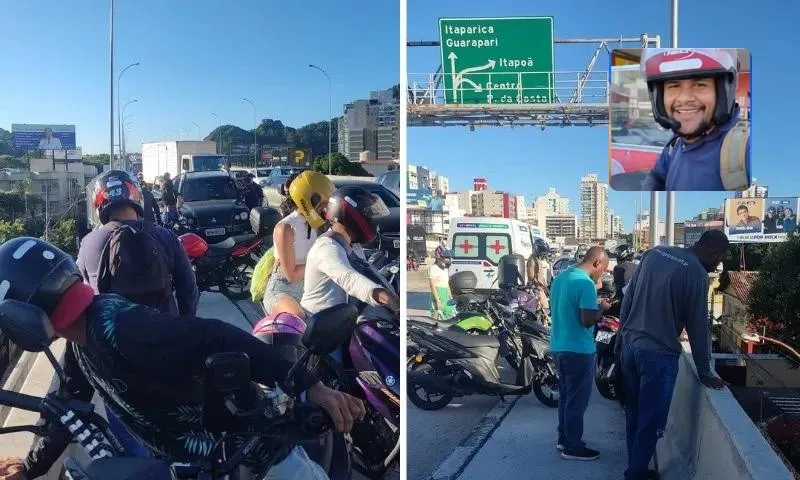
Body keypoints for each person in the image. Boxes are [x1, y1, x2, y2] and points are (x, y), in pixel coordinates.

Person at [0, 237, 365, 480]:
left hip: (258, 463)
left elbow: (213, 335)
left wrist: (310, 386)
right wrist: (31, 469)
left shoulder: (119, 326)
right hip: (196, 466)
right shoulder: (81, 341)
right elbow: (67, 404)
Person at [616, 230, 730, 480]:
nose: (716, 265)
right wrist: (704, 371)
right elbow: (699, 328)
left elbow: (628, 298)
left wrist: (621, 337)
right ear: (713, 252)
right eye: (718, 259)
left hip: (630, 346)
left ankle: (635, 466)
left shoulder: (654, 254)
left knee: (633, 412)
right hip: (658, 357)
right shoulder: (697, 275)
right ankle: (635, 475)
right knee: (652, 420)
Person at [79, 170, 198, 316]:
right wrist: (185, 326)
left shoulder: (88, 243)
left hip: (114, 335)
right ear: (137, 198)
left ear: (98, 206)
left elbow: (80, 296)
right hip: (164, 331)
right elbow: (189, 288)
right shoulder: (165, 236)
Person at [640, 49, 750, 191]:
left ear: (722, 91)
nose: (684, 98)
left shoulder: (745, 148)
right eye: (673, 86)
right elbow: (657, 175)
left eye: (699, 85)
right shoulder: (675, 144)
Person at [549, 246, 613, 461]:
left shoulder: (561, 278)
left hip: (559, 346)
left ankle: (564, 439)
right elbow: (587, 320)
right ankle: (573, 447)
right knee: (577, 401)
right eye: (603, 269)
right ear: (596, 263)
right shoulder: (585, 284)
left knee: (566, 397)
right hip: (579, 350)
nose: (603, 273)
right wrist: (602, 308)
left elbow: (569, 308)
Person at [300, 185, 399, 318]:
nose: (372, 220)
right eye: (368, 214)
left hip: (343, 321)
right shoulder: (326, 248)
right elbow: (350, 279)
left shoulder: (352, 246)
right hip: (318, 326)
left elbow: (367, 273)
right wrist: (386, 298)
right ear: (352, 216)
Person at [263, 171, 335, 317]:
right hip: (285, 289)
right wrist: (324, 264)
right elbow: (291, 274)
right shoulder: (285, 228)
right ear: (309, 200)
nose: (325, 207)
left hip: (313, 286)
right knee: (299, 318)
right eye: (322, 203)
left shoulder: (322, 224)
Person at [428, 248, 456, 319]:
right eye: (446, 257)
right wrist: (437, 300)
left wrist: (450, 296)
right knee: (439, 318)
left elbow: (446, 284)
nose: (448, 259)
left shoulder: (445, 269)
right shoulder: (433, 268)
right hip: (439, 293)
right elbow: (432, 285)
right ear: (439, 257)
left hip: (446, 294)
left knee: (451, 316)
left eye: (449, 258)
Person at [527, 239, 551, 312]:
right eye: (542, 252)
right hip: (537, 290)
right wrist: (541, 286)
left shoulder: (538, 259)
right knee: (544, 309)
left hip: (542, 289)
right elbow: (531, 277)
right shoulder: (532, 260)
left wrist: (546, 288)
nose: (543, 254)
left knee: (546, 309)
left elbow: (541, 275)